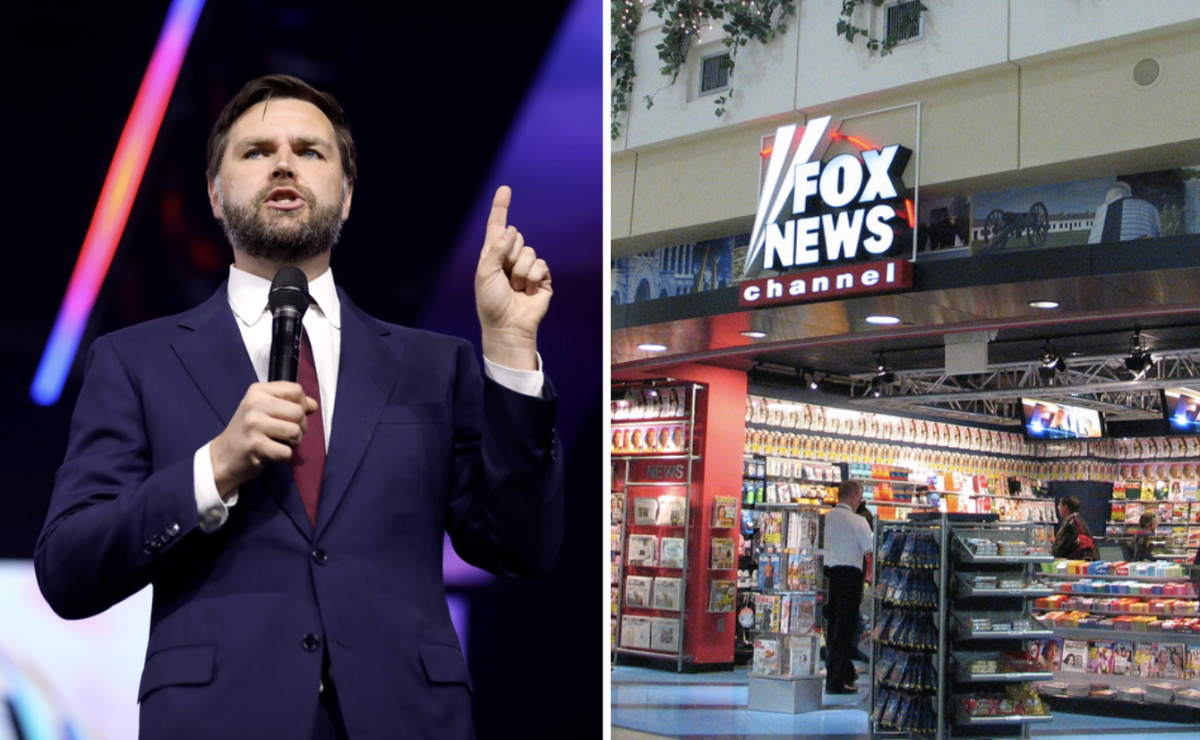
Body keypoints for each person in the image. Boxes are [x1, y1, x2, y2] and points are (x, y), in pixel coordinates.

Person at [34, 75, 564, 740]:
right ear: (214, 194)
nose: (284, 163)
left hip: (405, 719)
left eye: (310, 151)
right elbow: (68, 570)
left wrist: (512, 352)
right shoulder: (135, 361)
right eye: (256, 151)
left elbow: (521, 547)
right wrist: (214, 470)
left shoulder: (435, 365)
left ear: (345, 197)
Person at [822, 480, 873, 695]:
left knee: (832, 628)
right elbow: (870, 548)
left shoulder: (825, 518)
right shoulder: (858, 521)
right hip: (850, 577)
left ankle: (840, 673)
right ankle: (837, 681)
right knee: (845, 630)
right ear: (853, 497)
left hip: (827, 576)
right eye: (859, 496)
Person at [1053, 495, 1096, 560]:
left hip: (1071, 563)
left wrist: (1054, 551)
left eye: (1060, 505)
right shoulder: (1080, 521)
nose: (1058, 508)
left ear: (1065, 507)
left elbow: (1062, 548)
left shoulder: (1072, 523)